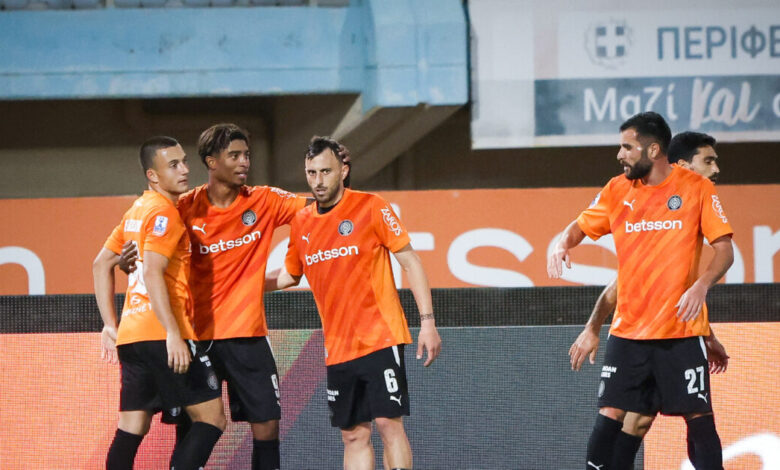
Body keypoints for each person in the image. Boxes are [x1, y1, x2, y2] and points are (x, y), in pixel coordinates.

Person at [548, 112, 734, 470]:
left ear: (653, 150)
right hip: (629, 332)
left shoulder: (696, 189)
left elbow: (724, 250)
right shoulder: (616, 189)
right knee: (611, 415)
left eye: (627, 147)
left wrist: (701, 287)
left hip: (679, 332)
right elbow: (580, 227)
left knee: (698, 417)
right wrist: (562, 244)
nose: (620, 154)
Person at [120, 123, 308, 470]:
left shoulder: (265, 200)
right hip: (196, 336)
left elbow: (317, 211)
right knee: (194, 425)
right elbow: (148, 253)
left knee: (267, 425)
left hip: (247, 335)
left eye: (246, 155)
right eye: (234, 155)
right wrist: (126, 260)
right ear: (211, 162)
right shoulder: (183, 207)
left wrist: (293, 266)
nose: (244, 162)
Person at [268, 136, 442, 470]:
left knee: (388, 424)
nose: (318, 181)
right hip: (337, 348)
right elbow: (290, 275)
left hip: (380, 337)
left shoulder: (371, 206)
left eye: (325, 171)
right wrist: (243, 284)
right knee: (353, 436)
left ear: (343, 170)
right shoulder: (301, 222)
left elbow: (411, 261)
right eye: (311, 173)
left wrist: (428, 322)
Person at [93, 136, 226, 470]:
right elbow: (153, 271)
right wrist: (173, 333)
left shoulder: (136, 211)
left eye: (184, 161)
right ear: (152, 175)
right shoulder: (165, 213)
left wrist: (109, 325)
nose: (184, 170)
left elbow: (100, 264)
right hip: (162, 333)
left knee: (132, 427)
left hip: (132, 337)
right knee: (211, 419)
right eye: (173, 165)